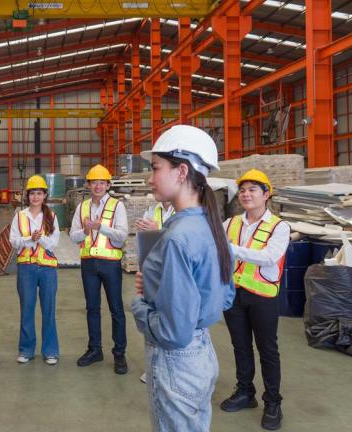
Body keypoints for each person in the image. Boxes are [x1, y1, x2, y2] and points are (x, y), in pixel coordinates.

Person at [131, 124, 235, 432]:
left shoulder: (177, 237)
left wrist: (140, 307)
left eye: (155, 168)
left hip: (176, 362)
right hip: (202, 353)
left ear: (182, 172)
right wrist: (159, 286)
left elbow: (173, 331)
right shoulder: (211, 226)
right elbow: (225, 296)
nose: (150, 178)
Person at [220, 169, 289, 431]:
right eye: (242, 190)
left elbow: (269, 257)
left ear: (266, 194)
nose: (246, 194)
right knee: (240, 346)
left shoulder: (279, 227)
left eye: (252, 190)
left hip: (262, 297)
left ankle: (272, 402)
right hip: (233, 294)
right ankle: (245, 392)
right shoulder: (230, 223)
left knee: (268, 350)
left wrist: (231, 249)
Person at [70, 164, 129, 375]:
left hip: (110, 264)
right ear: (88, 185)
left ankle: (119, 353)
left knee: (116, 309)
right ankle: (95, 350)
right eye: (94, 182)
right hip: (88, 264)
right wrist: (85, 231)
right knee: (92, 308)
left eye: (102, 182)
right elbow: (73, 235)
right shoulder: (82, 207)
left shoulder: (117, 206)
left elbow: (122, 235)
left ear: (108, 185)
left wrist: (100, 227)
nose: (98, 186)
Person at [9, 175, 60, 365]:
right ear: (27, 196)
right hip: (26, 268)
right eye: (32, 193)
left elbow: (54, 244)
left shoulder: (51, 216)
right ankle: (26, 350)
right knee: (27, 309)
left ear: (45, 195)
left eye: (39, 193)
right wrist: (30, 239)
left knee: (49, 310)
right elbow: (13, 241)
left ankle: (50, 351)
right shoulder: (20, 216)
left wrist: (41, 238)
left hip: (47, 269)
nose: (35, 197)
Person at [134, 199, 174, 384]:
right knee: (153, 320)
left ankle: (171, 369)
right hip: (153, 270)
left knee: (172, 321)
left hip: (173, 270)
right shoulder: (152, 210)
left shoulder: (182, 212)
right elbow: (143, 240)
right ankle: (153, 367)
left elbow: (181, 241)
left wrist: (158, 230)